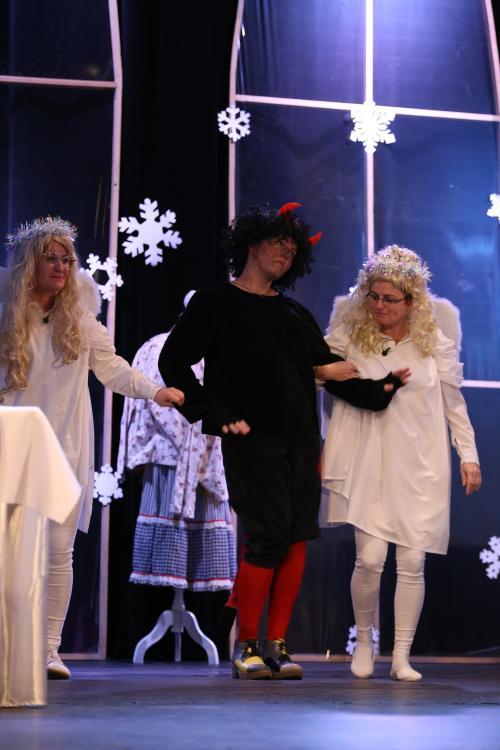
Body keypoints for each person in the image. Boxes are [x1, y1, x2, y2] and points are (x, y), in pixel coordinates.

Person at [158, 203, 409, 680]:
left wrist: (381, 389)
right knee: (267, 535)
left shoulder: (293, 312)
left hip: (301, 440)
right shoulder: (214, 303)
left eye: (292, 250)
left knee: (296, 536)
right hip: (252, 439)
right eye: (278, 244)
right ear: (252, 244)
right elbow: (173, 362)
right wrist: (215, 413)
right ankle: (246, 644)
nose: (284, 254)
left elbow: (326, 371)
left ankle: (276, 645)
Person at [0, 217, 184, 680]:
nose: (60, 267)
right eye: (50, 258)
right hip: (12, 445)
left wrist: (155, 391)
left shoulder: (79, 321)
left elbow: (113, 368)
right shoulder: (6, 317)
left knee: (58, 550)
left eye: (67, 260)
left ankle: (48, 649)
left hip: (63, 448)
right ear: (29, 263)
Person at [321, 244, 481, 682]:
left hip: (421, 462)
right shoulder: (350, 334)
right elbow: (317, 375)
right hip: (369, 458)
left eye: (390, 299)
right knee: (370, 559)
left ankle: (402, 655)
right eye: (373, 296)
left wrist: (468, 454)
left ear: (411, 301)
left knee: (412, 563)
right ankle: (365, 642)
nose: (380, 306)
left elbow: (454, 403)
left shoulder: (433, 342)